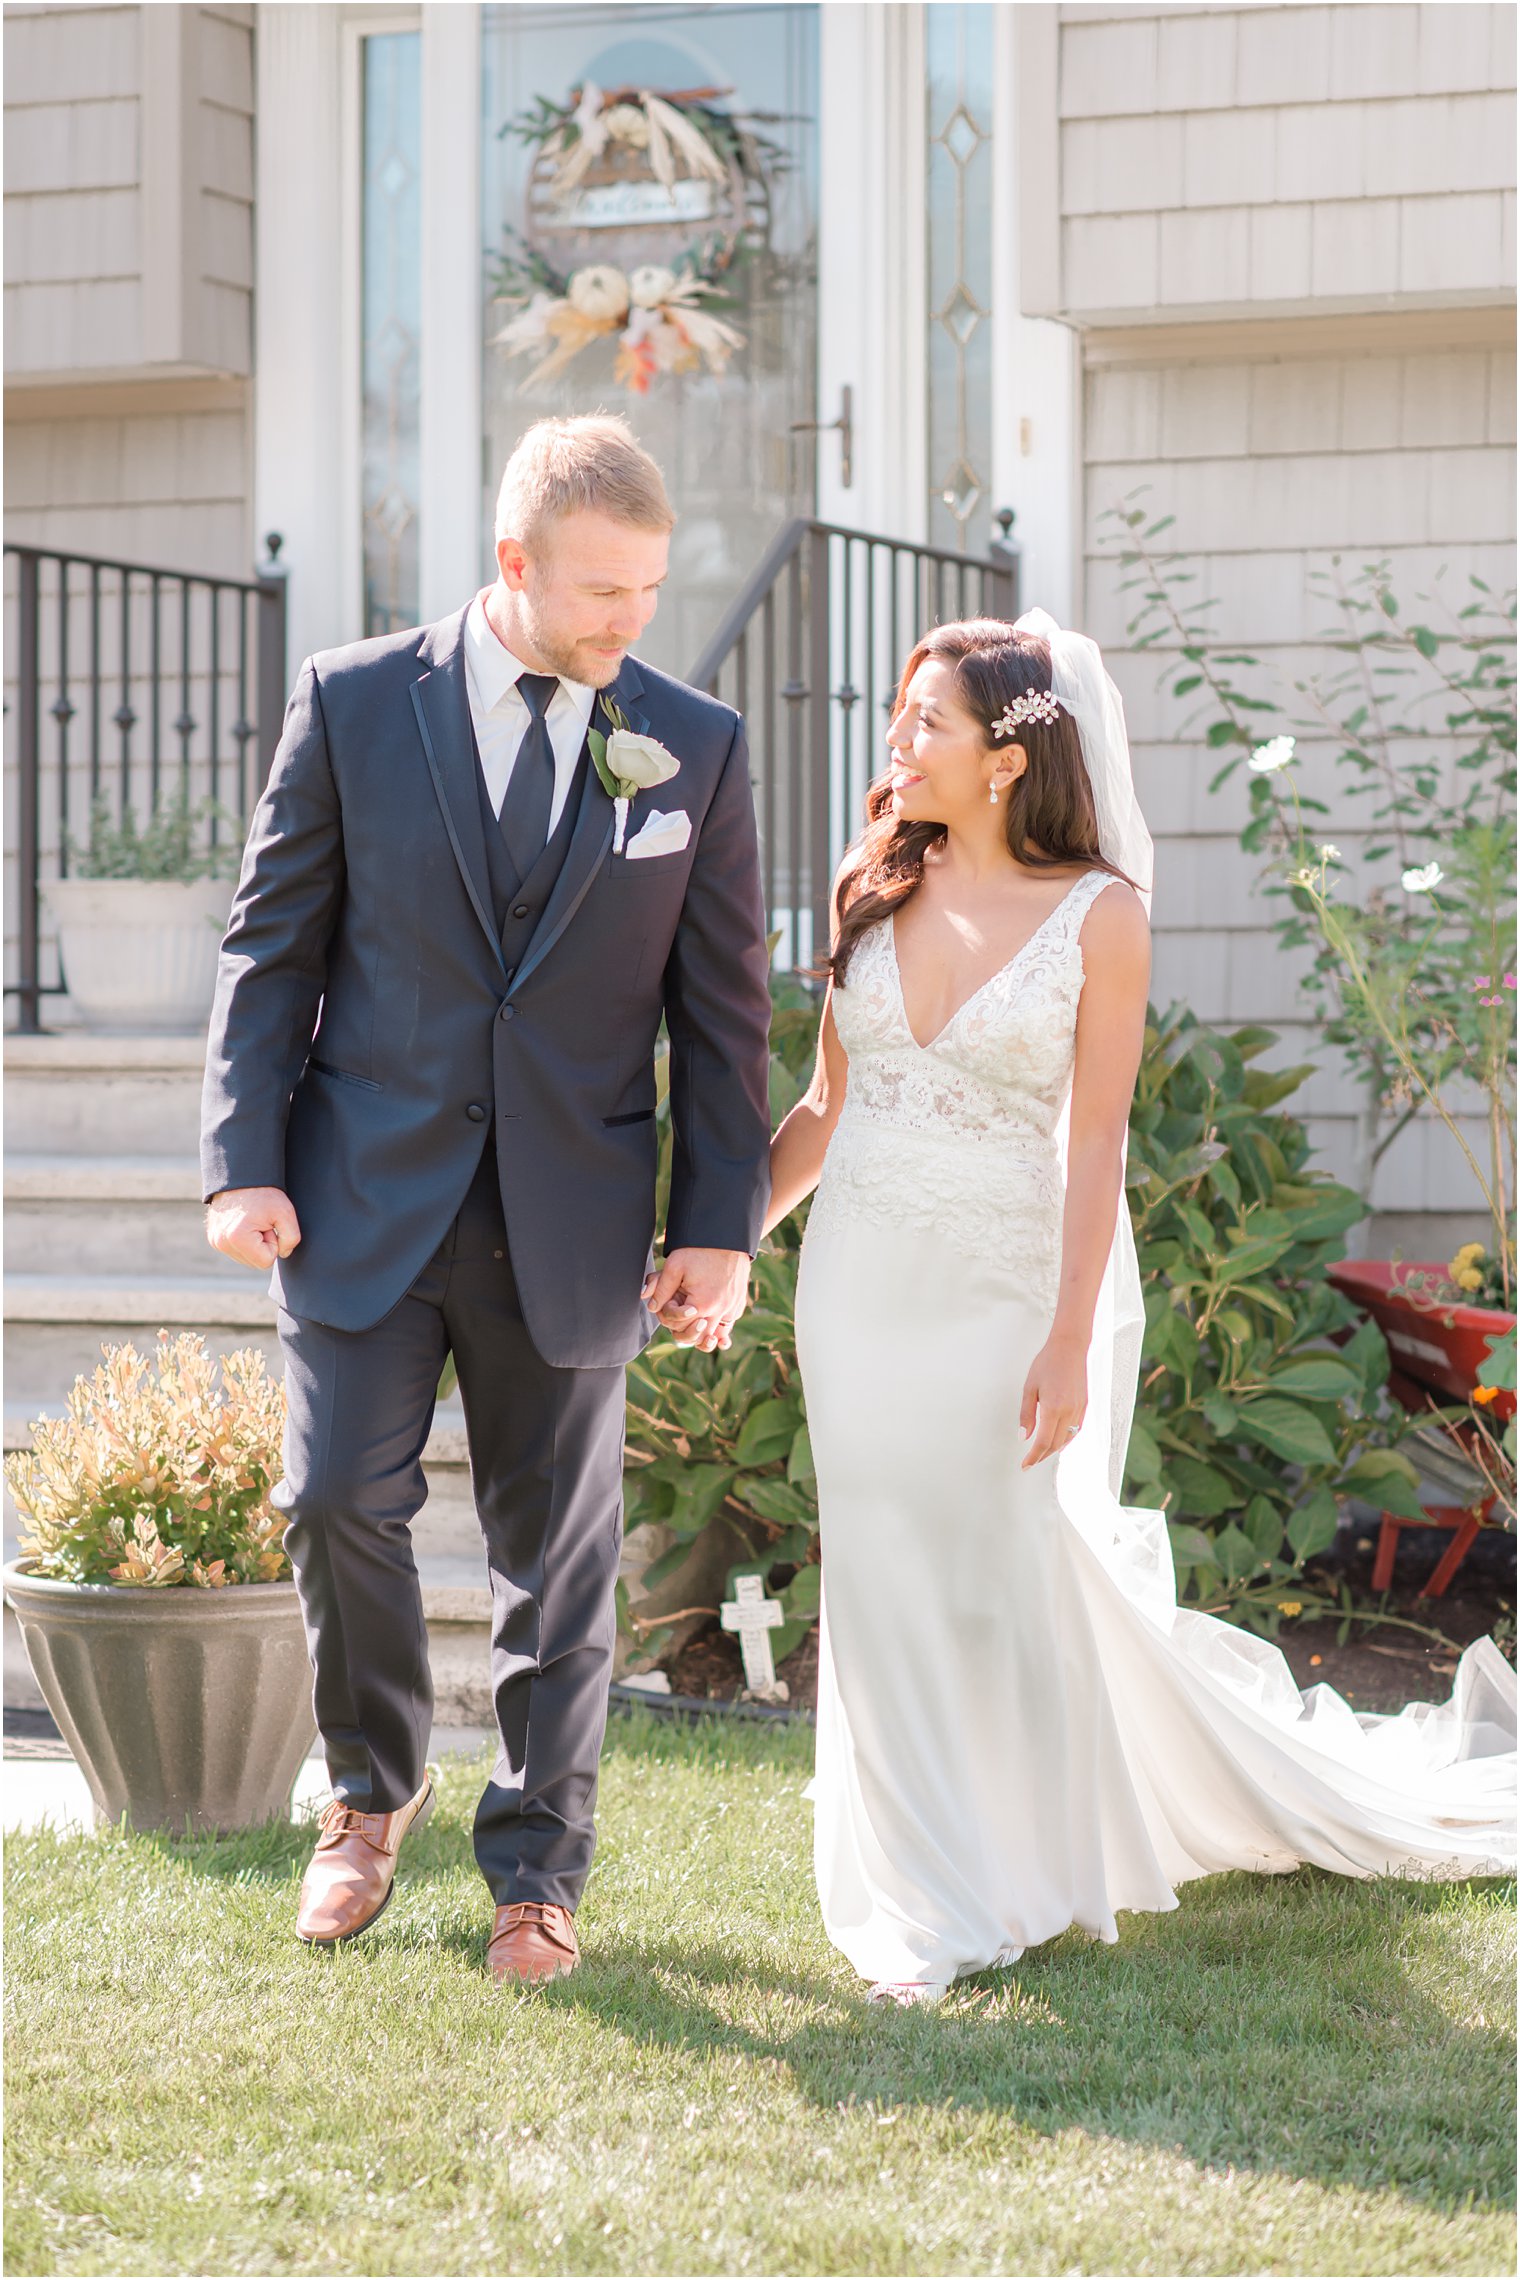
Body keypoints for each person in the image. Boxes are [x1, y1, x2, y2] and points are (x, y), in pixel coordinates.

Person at [766, 610, 1516, 2005]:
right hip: (858, 1286)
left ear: (1005, 759)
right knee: (878, 1572)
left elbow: (1093, 1149)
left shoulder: (1102, 920)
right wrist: (724, 1241)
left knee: (997, 1572)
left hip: (997, 1291)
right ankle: (927, 1885)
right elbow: (824, 1106)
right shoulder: (868, 884)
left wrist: (1065, 1339)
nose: (898, 745)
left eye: (926, 723)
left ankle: (1011, 1859)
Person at [202, 415, 772, 1983]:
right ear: (511, 564)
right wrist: (242, 1157)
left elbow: (724, 1016)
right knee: (333, 1503)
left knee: (558, 1563)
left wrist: (718, 1224)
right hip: (361, 1195)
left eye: (651, 589)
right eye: (601, 591)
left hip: (574, 1213)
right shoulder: (352, 700)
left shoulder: (693, 745)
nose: (629, 622)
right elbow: (273, 950)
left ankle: (537, 1872)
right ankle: (371, 1800)